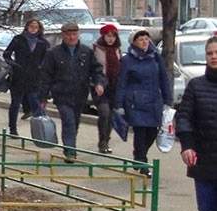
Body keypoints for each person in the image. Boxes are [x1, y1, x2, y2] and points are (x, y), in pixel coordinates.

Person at [174, 33, 217, 211]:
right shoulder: (196, 86)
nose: (213, 57)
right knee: (207, 206)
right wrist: (187, 146)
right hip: (203, 158)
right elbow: (183, 117)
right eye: (210, 53)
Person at [42, 22, 106, 161]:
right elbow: (46, 75)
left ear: (78, 35)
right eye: (68, 35)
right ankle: (70, 151)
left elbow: (96, 70)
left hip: (79, 94)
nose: (71, 37)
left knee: (75, 121)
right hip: (62, 94)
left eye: (74, 34)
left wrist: (99, 83)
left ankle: (70, 146)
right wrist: (43, 97)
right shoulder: (54, 53)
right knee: (68, 120)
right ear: (63, 36)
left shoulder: (86, 51)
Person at [118, 30, 170, 164]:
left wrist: (167, 99)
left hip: (153, 102)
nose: (144, 42)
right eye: (141, 39)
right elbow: (122, 82)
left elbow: (164, 79)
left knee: (152, 133)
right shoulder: (127, 60)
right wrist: (119, 104)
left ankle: (139, 155)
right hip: (136, 103)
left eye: (147, 39)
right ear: (134, 42)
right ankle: (142, 163)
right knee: (140, 133)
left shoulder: (155, 57)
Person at [3, 16, 49, 136]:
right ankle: (13, 129)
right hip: (18, 77)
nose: (33, 29)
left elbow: (47, 59)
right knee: (15, 103)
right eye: (31, 26)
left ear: (39, 29)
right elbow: (6, 54)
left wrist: (41, 67)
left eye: (36, 27)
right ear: (27, 27)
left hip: (34, 78)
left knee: (35, 102)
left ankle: (42, 131)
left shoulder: (43, 43)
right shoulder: (18, 39)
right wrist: (14, 65)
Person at [92, 23, 123, 153]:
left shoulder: (117, 50)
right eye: (108, 36)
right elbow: (93, 68)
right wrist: (96, 83)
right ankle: (102, 140)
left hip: (114, 87)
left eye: (113, 36)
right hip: (100, 86)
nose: (111, 39)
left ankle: (105, 141)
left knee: (110, 115)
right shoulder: (96, 49)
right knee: (104, 113)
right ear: (103, 36)